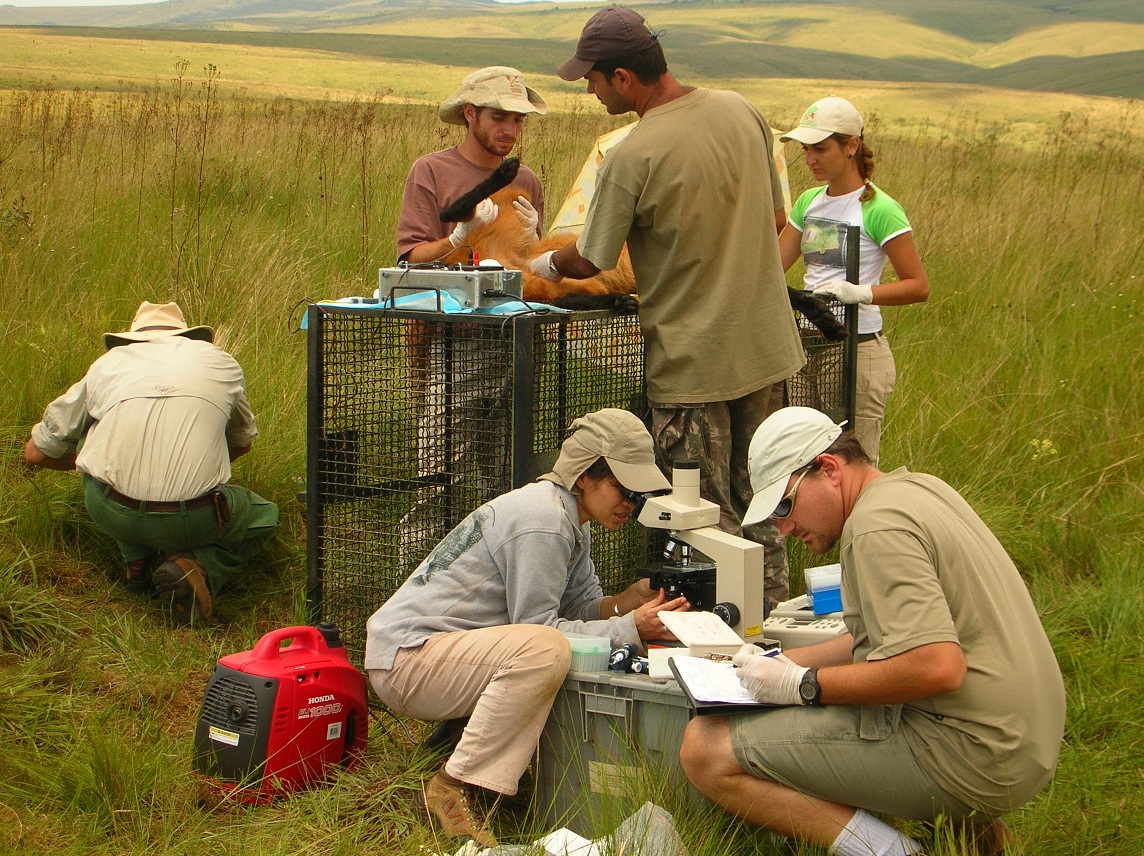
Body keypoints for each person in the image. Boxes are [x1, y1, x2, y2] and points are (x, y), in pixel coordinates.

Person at [679, 407, 1065, 856]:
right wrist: (783, 663)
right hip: (1026, 736)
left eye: (785, 504)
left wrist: (802, 686)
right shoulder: (917, 489)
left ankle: (895, 852)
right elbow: (890, 639)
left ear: (828, 469)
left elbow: (937, 666)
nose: (784, 527)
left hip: (978, 754)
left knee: (706, 749)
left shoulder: (873, 529)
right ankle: (973, 840)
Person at [530, 6, 805, 608]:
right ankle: (775, 629)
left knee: (702, 519)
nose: (591, 92)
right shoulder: (743, 111)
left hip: (692, 368)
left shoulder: (634, 153)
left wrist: (542, 264)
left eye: (593, 80)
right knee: (764, 500)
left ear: (624, 78)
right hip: (768, 352)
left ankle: (725, 643)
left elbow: (591, 260)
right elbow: (779, 221)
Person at [364, 408, 690, 847]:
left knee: (546, 646)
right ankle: (452, 786)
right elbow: (542, 630)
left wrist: (629, 600)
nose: (631, 501)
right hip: (408, 661)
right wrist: (630, 626)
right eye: (621, 486)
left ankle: (458, 744)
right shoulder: (544, 522)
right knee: (544, 650)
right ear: (583, 476)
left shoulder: (566, 517)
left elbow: (581, 608)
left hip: (429, 654)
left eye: (637, 490)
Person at [25, 301, 279, 626]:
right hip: (194, 517)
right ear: (189, 336)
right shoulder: (221, 362)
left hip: (112, 512)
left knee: (103, 452)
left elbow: (37, 453)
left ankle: (137, 566)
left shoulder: (107, 365)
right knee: (264, 516)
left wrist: (86, 462)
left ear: (131, 339)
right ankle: (196, 565)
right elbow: (243, 442)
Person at [395, 66, 549, 563]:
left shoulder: (525, 179)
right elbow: (409, 260)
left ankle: (494, 574)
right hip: (450, 341)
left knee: (505, 470)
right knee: (440, 468)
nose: (510, 130)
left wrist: (537, 235)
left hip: (514, 338)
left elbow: (529, 262)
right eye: (500, 117)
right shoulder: (432, 171)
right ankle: (415, 578)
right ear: (470, 114)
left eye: (518, 121)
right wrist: (458, 239)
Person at [778, 96, 929, 465]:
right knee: (805, 460)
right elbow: (772, 266)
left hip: (855, 349)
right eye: (805, 150)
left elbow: (918, 285)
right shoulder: (808, 202)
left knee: (853, 463)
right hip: (804, 349)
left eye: (820, 149)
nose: (810, 159)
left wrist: (859, 293)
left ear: (851, 146)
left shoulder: (878, 208)